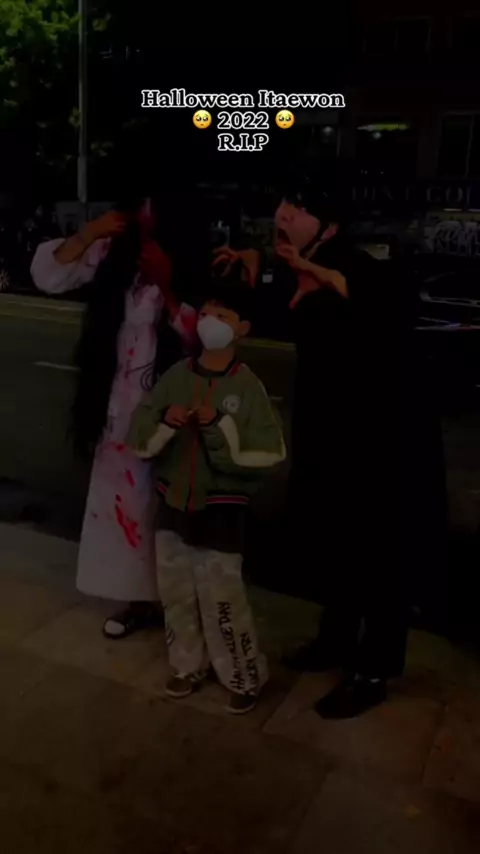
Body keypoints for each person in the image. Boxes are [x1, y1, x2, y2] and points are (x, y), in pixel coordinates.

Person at [213, 174, 446, 718]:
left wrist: (327, 278)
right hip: (331, 433)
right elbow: (273, 316)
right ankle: (335, 640)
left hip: (381, 441)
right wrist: (256, 268)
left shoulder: (355, 267)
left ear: (332, 226)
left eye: (299, 207)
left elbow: (389, 307)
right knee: (337, 541)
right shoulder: (295, 266)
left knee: (378, 552)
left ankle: (373, 670)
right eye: (284, 202)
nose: (283, 213)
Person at [30, 189, 209, 639]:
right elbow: (48, 276)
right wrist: (89, 232)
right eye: (138, 204)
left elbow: (206, 339)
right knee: (126, 508)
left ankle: (180, 607)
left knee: (169, 512)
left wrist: (167, 285)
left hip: (171, 411)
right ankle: (139, 600)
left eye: (155, 205)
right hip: (118, 409)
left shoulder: (189, 258)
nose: (144, 215)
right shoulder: (112, 252)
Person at [126, 279, 286, 714]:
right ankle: (186, 665)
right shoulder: (177, 376)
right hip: (173, 506)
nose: (210, 322)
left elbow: (268, 452)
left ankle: (242, 674)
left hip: (222, 514)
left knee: (223, 596)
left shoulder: (247, 387)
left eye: (223, 315)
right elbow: (139, 432)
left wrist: (219, 427)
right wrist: (166, 419)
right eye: (207, 313)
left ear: (243, 328)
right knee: (175, 591)